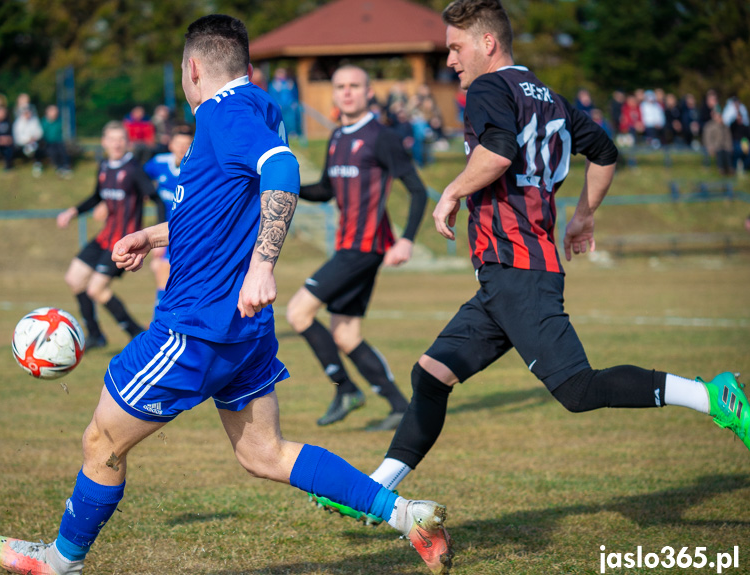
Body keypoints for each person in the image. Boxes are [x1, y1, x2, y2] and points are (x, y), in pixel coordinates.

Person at [0, 14, 452, 575]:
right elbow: (224, 205)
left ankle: (61, 560)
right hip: (242, 332)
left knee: (102, 438)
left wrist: (262, 264)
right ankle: (408, 515)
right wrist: (155, 234)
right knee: (264, 454)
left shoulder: (225, 113)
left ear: (194, 68)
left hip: (195, 329)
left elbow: (281, 168)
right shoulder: (256, 107)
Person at [312, 0, 749, 526]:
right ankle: (372, 490)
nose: (449, 59)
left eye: (455, 46)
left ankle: (712, 395)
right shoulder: (550, 97)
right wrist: (583, 216)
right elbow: (605, 152)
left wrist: (450, 192)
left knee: (578, 390)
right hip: (503, 278)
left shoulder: (488, 89)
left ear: (487, 43)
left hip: (519, 271)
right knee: (430, 375)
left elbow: (496, 151)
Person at [285, 65, 428, 432]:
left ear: (368, 92)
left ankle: (346, 389)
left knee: (298, 311)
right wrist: (286, 185)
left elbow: (417, 190)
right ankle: (399, 406)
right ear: (333, 94)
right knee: (346, 335)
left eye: (355, 86)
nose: (347, 92)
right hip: (347, 247)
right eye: (340, 86)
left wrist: (407, 239)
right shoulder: (336, 138)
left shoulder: (383, 138)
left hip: (364, 249)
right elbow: (325, 190)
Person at [54, 120, 166, 351]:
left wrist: (155, 238)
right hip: (104, 237)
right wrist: (72, 212)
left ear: (127, 142)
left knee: (96, 289)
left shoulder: (134, 169)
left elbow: (157, 200)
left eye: (120, 139)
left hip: (123, 242)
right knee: (74, 279)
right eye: (112, 139)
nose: (116, 144)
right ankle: (95, 335)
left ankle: (137, 335)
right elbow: (97, 196)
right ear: (104, 142)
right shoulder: (104, 165)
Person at [142, 123, 194, 319]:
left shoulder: (198, 168)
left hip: (192, 235)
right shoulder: (159, 163)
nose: (182, 148)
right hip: (168, 235)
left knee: (170, 275)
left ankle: (164, 323)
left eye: (187, 144)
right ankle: (161, 322)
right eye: (178, 143)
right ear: (170, 144)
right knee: (162, 271)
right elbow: (139, 177)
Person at [41, 105, 72, 177]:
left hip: (59, 141)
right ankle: (58, 166)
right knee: (53, 151)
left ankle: (66, 165)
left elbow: (64, 133)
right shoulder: (44, 122)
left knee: (62, 149)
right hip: (47, 142)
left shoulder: (59, 121)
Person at [13, 106, 44, 176]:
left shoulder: (35, 120)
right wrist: (27, 140)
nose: (28, 114)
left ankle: (37, 165)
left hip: (34, 142)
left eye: (29, 112)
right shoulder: (18, 123)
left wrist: (33, 138)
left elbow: (39, 132)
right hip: (22, 144)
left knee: (37, 147)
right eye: (26, 113)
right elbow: (17, 137)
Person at [703, 109, 733, 176]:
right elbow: (707, 138)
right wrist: (710, 147)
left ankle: (729, 168)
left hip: (724, 146)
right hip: (715, 146)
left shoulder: (725, 126)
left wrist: (729, 147)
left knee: (726, 152)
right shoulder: (709, 126)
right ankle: (721, 169)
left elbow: (728, 138)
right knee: (720, 152)